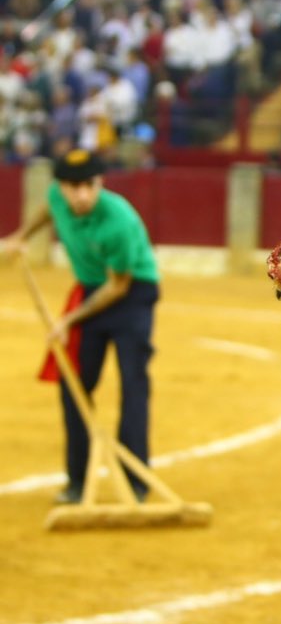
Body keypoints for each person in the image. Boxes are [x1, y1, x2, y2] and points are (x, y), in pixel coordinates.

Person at [1, 149, 160, 503]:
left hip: (132, 292)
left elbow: (118, 286)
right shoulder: (57, 196)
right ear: (62, 186)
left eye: (89, 185)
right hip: (91, 290)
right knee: (75, 386)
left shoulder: (118, 220)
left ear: (100, 182)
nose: (82, 194)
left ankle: (135, 482)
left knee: (132, 383)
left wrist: (68, 320)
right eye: (74, 187)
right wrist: (21, 234)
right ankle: (76, 482)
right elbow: (48, 208)